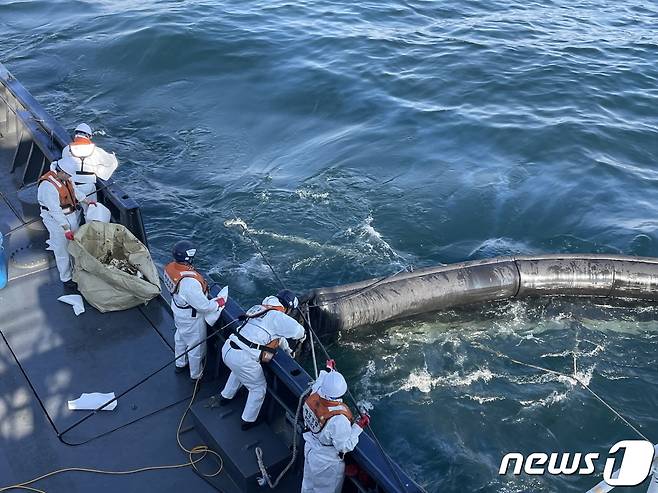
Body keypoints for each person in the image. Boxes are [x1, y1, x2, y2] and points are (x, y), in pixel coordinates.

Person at [218, 289, 305, 430]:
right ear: (288, 307)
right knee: (258, 388)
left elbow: (276, 336)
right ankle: (248, 421)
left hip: (228, 349)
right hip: (243, 358)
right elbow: (298, 331)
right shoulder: (278, 316)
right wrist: (303, 336)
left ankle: (225, 396)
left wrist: (288, 350)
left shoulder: (261, 308)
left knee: (238, 372)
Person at [301, 362, 370, 493]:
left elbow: (321, 382)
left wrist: (330, 370)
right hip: (325, 462)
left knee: (308, 484)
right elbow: (344, 446)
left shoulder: (315, 392)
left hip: (310, 448)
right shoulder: (338, 419)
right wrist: (359, 426)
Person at [163, 240, 225, 381]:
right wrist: (218, 303)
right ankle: (195, 375)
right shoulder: (189, 282)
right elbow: (203, 306)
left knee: (180, 338)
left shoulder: (170, 268)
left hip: (178, 310)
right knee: (195, 347)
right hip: (191, 318)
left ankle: (180, 364)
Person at [37, 157, 93, 289]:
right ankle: (66, 277)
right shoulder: (47, 187)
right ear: (60, 171)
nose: (69, 177)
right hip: (55, 221)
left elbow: (74, 191)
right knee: (61, 248)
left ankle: (77, 270)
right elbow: (55, 211)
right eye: (68, 174)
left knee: (75, 244)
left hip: (71, 214)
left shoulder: (65, 178)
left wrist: (86, 200)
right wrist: (66, 229)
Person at [60, 123, 118, 204]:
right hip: (89, 186)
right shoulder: (97, 151)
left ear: (76, 135)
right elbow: (111, 162)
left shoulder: (66, 149)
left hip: (72, 186)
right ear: (89, 136)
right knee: (90, 208)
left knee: (74, 209)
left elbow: (64, 167)